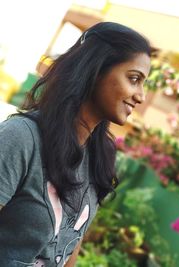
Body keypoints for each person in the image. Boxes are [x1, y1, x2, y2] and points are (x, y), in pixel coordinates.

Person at [0, 21, 152, 267]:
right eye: (134, 79)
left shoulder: (98, 156)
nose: (141, 95)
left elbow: (70, 243)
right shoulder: (21, 138)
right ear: (96, 70)